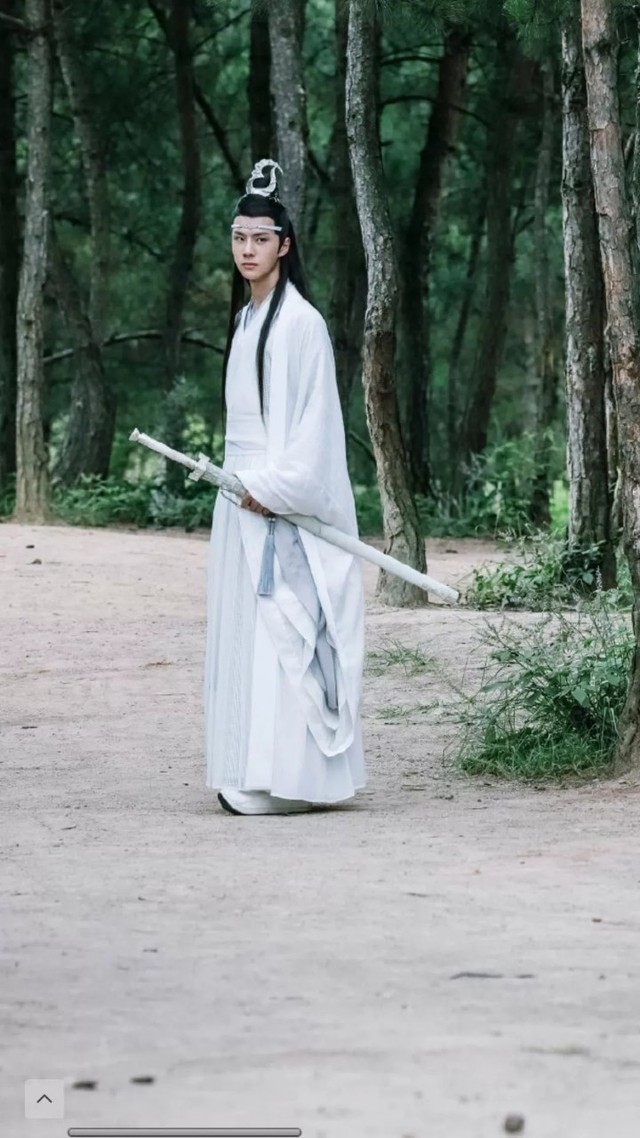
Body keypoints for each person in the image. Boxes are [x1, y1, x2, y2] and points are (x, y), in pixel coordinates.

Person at [205, 159, 365, 815]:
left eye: (261, 239)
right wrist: (242, 487)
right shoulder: (245, 321)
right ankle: (249, 768)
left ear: (285, 245)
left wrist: (270, 488)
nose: (248, 249)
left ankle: (299, 782)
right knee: (245, 635)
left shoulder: (302, 324)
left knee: (285, 636)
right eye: (239, 237)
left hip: (276, 501)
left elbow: (315, 435)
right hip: (238, 497)